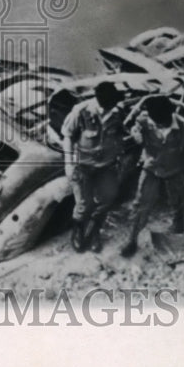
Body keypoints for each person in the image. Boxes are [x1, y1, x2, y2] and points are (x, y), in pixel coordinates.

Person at [120, 95, 184, 257]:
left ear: (170, 115)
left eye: (162, 122)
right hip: (151, 167)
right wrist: (135, 133)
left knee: (177, 201)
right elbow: (135, 127)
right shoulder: (144, 120)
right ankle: (132, 239)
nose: (158, 125)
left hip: (175, 169)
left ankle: (178, 228)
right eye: (155, 122)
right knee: (141, 204)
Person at [61, 81, 131, 252]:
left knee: (108, 198)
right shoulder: (81, 112)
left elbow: (122, 133)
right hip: (83, 165)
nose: (111, 108)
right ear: (99, 100)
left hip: (106, 166)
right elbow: (68, 137)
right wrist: (69, 163)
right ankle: (78, 232)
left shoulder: (117, 113)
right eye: (108, 105)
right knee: (83, 204)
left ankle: (93, 232)